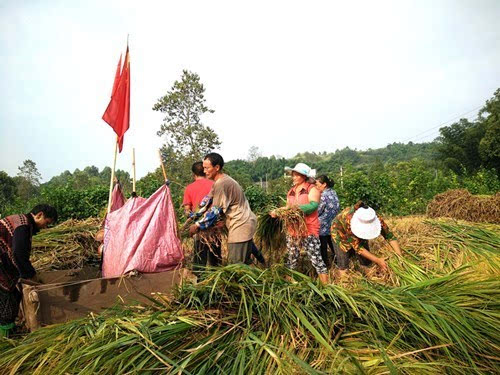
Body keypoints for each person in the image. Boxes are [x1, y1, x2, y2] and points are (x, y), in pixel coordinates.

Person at [0, 204, 58, 336]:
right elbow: (19, 254)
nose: (45, 227)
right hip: (1, 268)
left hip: (4, 266)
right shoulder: (23, 226)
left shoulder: (23, 222)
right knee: (6, 304)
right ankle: (5, 340)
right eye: (47, 223)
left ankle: (10, 330)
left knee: (14, 295)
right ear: (39, 215)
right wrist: (31, 276)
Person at [189, 153, 257, 265]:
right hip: (241, 223)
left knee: (236, 265)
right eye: (204, 168)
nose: (204, 171)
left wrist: (197, 225)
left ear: (217, 167)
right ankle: (262, 267)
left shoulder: (222, 184)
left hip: (240, 223)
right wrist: (195, 216)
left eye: (207, 168)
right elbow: (206, 202)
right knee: (244, 261)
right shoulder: (218, 183)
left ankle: (251, 279)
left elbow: (215, 211)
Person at [271, 163, 329, 284]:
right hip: (293, 230)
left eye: (297, 175)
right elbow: (288, 207)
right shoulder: (291, 191)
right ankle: (291, 283)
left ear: (304, 176)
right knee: (292, 257)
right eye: (293, 174)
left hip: (309, 229)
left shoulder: (311, 189)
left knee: (316, 258)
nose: (294, 177)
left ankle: (326, 286)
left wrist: (295, 210)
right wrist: (278, 211)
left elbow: (313, 205)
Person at [331, 201, 402, 277]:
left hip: (354, 230)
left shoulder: (375, 218)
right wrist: (377, 260)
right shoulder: (348, 220)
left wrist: (400, 257)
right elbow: (358, 247)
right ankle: (344, 282)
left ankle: (369, 277)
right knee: (343, 261)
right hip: (340, 233)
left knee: (366, 262)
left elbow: (390, 236)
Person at [183, 162, 221, 268]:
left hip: (198, 229)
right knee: (216, 261)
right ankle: (218, 281)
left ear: (193, 174)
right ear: (205, 171)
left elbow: (187, 210)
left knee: (200, 262)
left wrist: (191, 216)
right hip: (215, 228)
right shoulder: (214, 184)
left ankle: (200, 282)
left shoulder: (189, 188)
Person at [315, 175, 340, 268]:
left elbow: (318, 211)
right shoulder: (333, 193)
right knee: (333, 245)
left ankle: (325, 266)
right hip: (332, 224)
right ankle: (339, 262)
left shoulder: (323, 196)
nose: (316, 187)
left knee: (323, 248)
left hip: (322, 226)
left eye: (317, 184)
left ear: (324, 184)